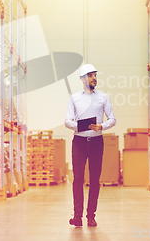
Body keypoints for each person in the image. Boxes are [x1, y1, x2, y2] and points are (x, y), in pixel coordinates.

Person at [64, 64, 116, 227]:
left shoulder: (103, 97)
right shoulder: (74, 98)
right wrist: (79, 126)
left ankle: (91, 216)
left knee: (95, 180)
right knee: (78, 179)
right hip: (79, 142)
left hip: (96, 142)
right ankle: (77, 216)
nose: (94, 78)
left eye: (95, 75)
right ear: (82, 79)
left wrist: (102, 126)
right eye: (91, 75)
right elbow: (67, 120)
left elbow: (112, 119)